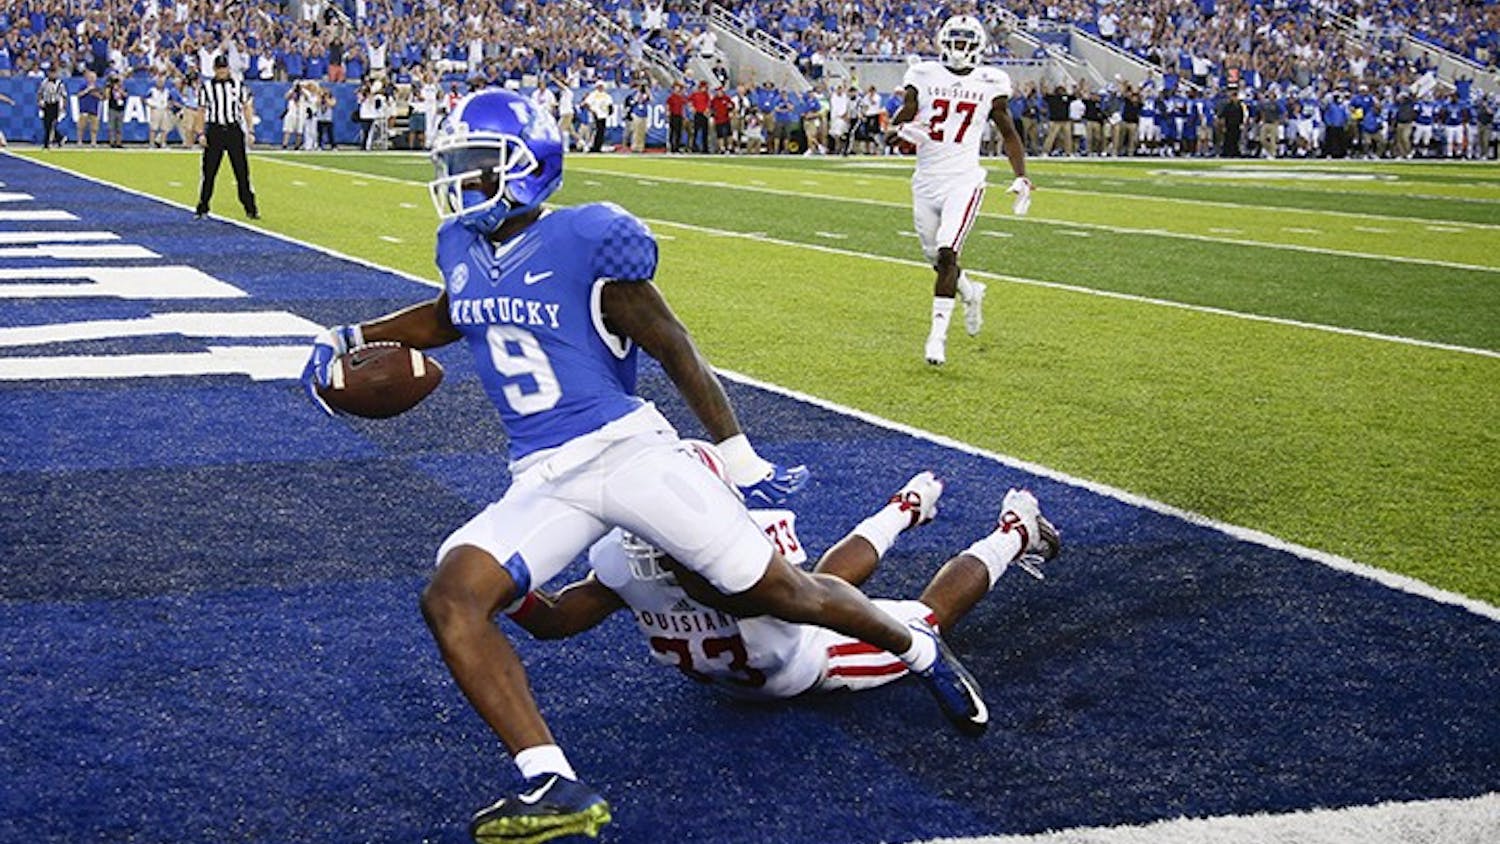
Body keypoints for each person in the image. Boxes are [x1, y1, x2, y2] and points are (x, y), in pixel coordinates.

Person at [298, 89, 990, 843]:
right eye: (456, 163)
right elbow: (449, 314)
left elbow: (673, 345)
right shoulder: (461, 247)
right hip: (544, 475)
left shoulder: (589, 238)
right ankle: (552, 783)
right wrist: (353, 334)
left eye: (475, 163)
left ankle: (918, 648)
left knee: (782, 591)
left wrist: (737, 453)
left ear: (528, 166)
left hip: (629, 452)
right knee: (452, 597)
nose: (458, 179)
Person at [504, 458, 1061, 703]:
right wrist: (504, 587)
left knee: (918, 622)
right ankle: (908, 509)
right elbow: (555, 619)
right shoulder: (623, 554)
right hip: (772, 664)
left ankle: (1014, 533)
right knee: (818, 589)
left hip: (807, 662)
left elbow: (738, 598)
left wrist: (681, 561)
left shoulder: (739, 537)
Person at [887, 15, 1030, 366]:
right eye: (955, 41)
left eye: (966, 42)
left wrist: (1021, 175)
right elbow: (905, 115)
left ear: (978, 46)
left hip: (964, 180)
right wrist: (899, 130)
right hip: (926, 180)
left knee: (948, 252)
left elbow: (1008, 132)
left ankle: (937, 338)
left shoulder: (991, 81)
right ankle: (971, 292)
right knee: (935, 258)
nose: (960, 48)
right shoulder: (923, 74)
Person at [194, 54, 259, 220]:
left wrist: (250, 130)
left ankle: (250, 208)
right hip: (214, 130)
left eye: (224, 68)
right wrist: (200, 133)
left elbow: (247, 108)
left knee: (241, 172)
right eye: (219, 69)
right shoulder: (207, 88)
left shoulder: (238, 86)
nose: (222, 71)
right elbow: (201, 111)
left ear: (228, 68)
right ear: (214, 69)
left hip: (233, 130)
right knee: (209, 172)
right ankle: (203, 207)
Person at [37, 65, 67, 149]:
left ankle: (47, 143)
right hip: (46, 104)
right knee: (46, 124)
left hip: (55, 104)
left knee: (52, 124)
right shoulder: (44, 82)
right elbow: (40, 93)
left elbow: (64, 95)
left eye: (54, 73)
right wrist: (39, 101)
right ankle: (59, 138)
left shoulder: (59, 83)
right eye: (51, 73)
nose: (52, 75)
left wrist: (63, 107)